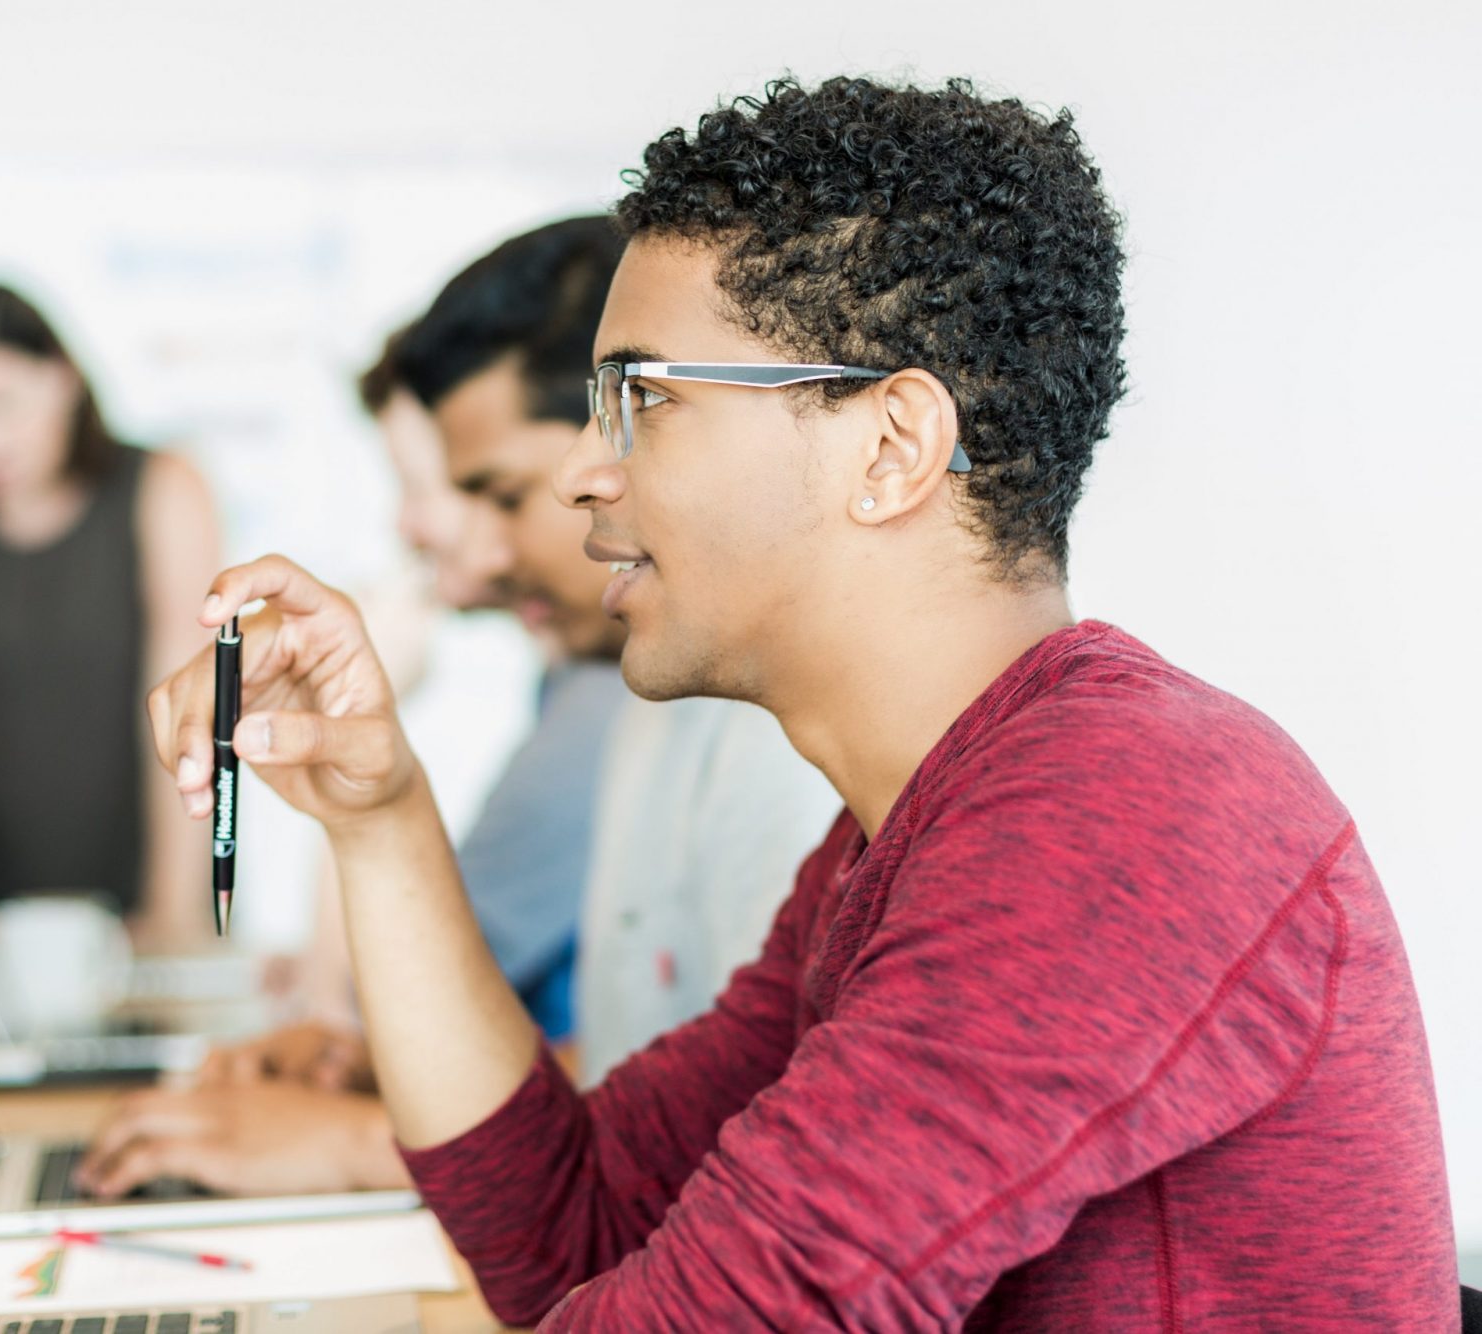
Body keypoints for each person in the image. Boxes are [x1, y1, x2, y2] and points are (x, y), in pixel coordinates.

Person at [141, 78, 1456, 1328]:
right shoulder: (900, 839)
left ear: (890, 449)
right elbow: (567, 1234)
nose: (583, 478)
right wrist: (379, 813)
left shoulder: (1120, 809)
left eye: (642, 400)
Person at [75, 218, 836, 1200]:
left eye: (493, 493)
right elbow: (647, 1084)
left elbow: (731, 1144)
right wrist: (367, 814)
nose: (451, 542)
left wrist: (350, 1139)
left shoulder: (752, 729)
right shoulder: (641, 689)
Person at [0, 285, 220, 949]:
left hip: (147, 910)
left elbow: (192, 721)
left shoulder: (164, 489)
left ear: (64, 379)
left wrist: (169, 918)